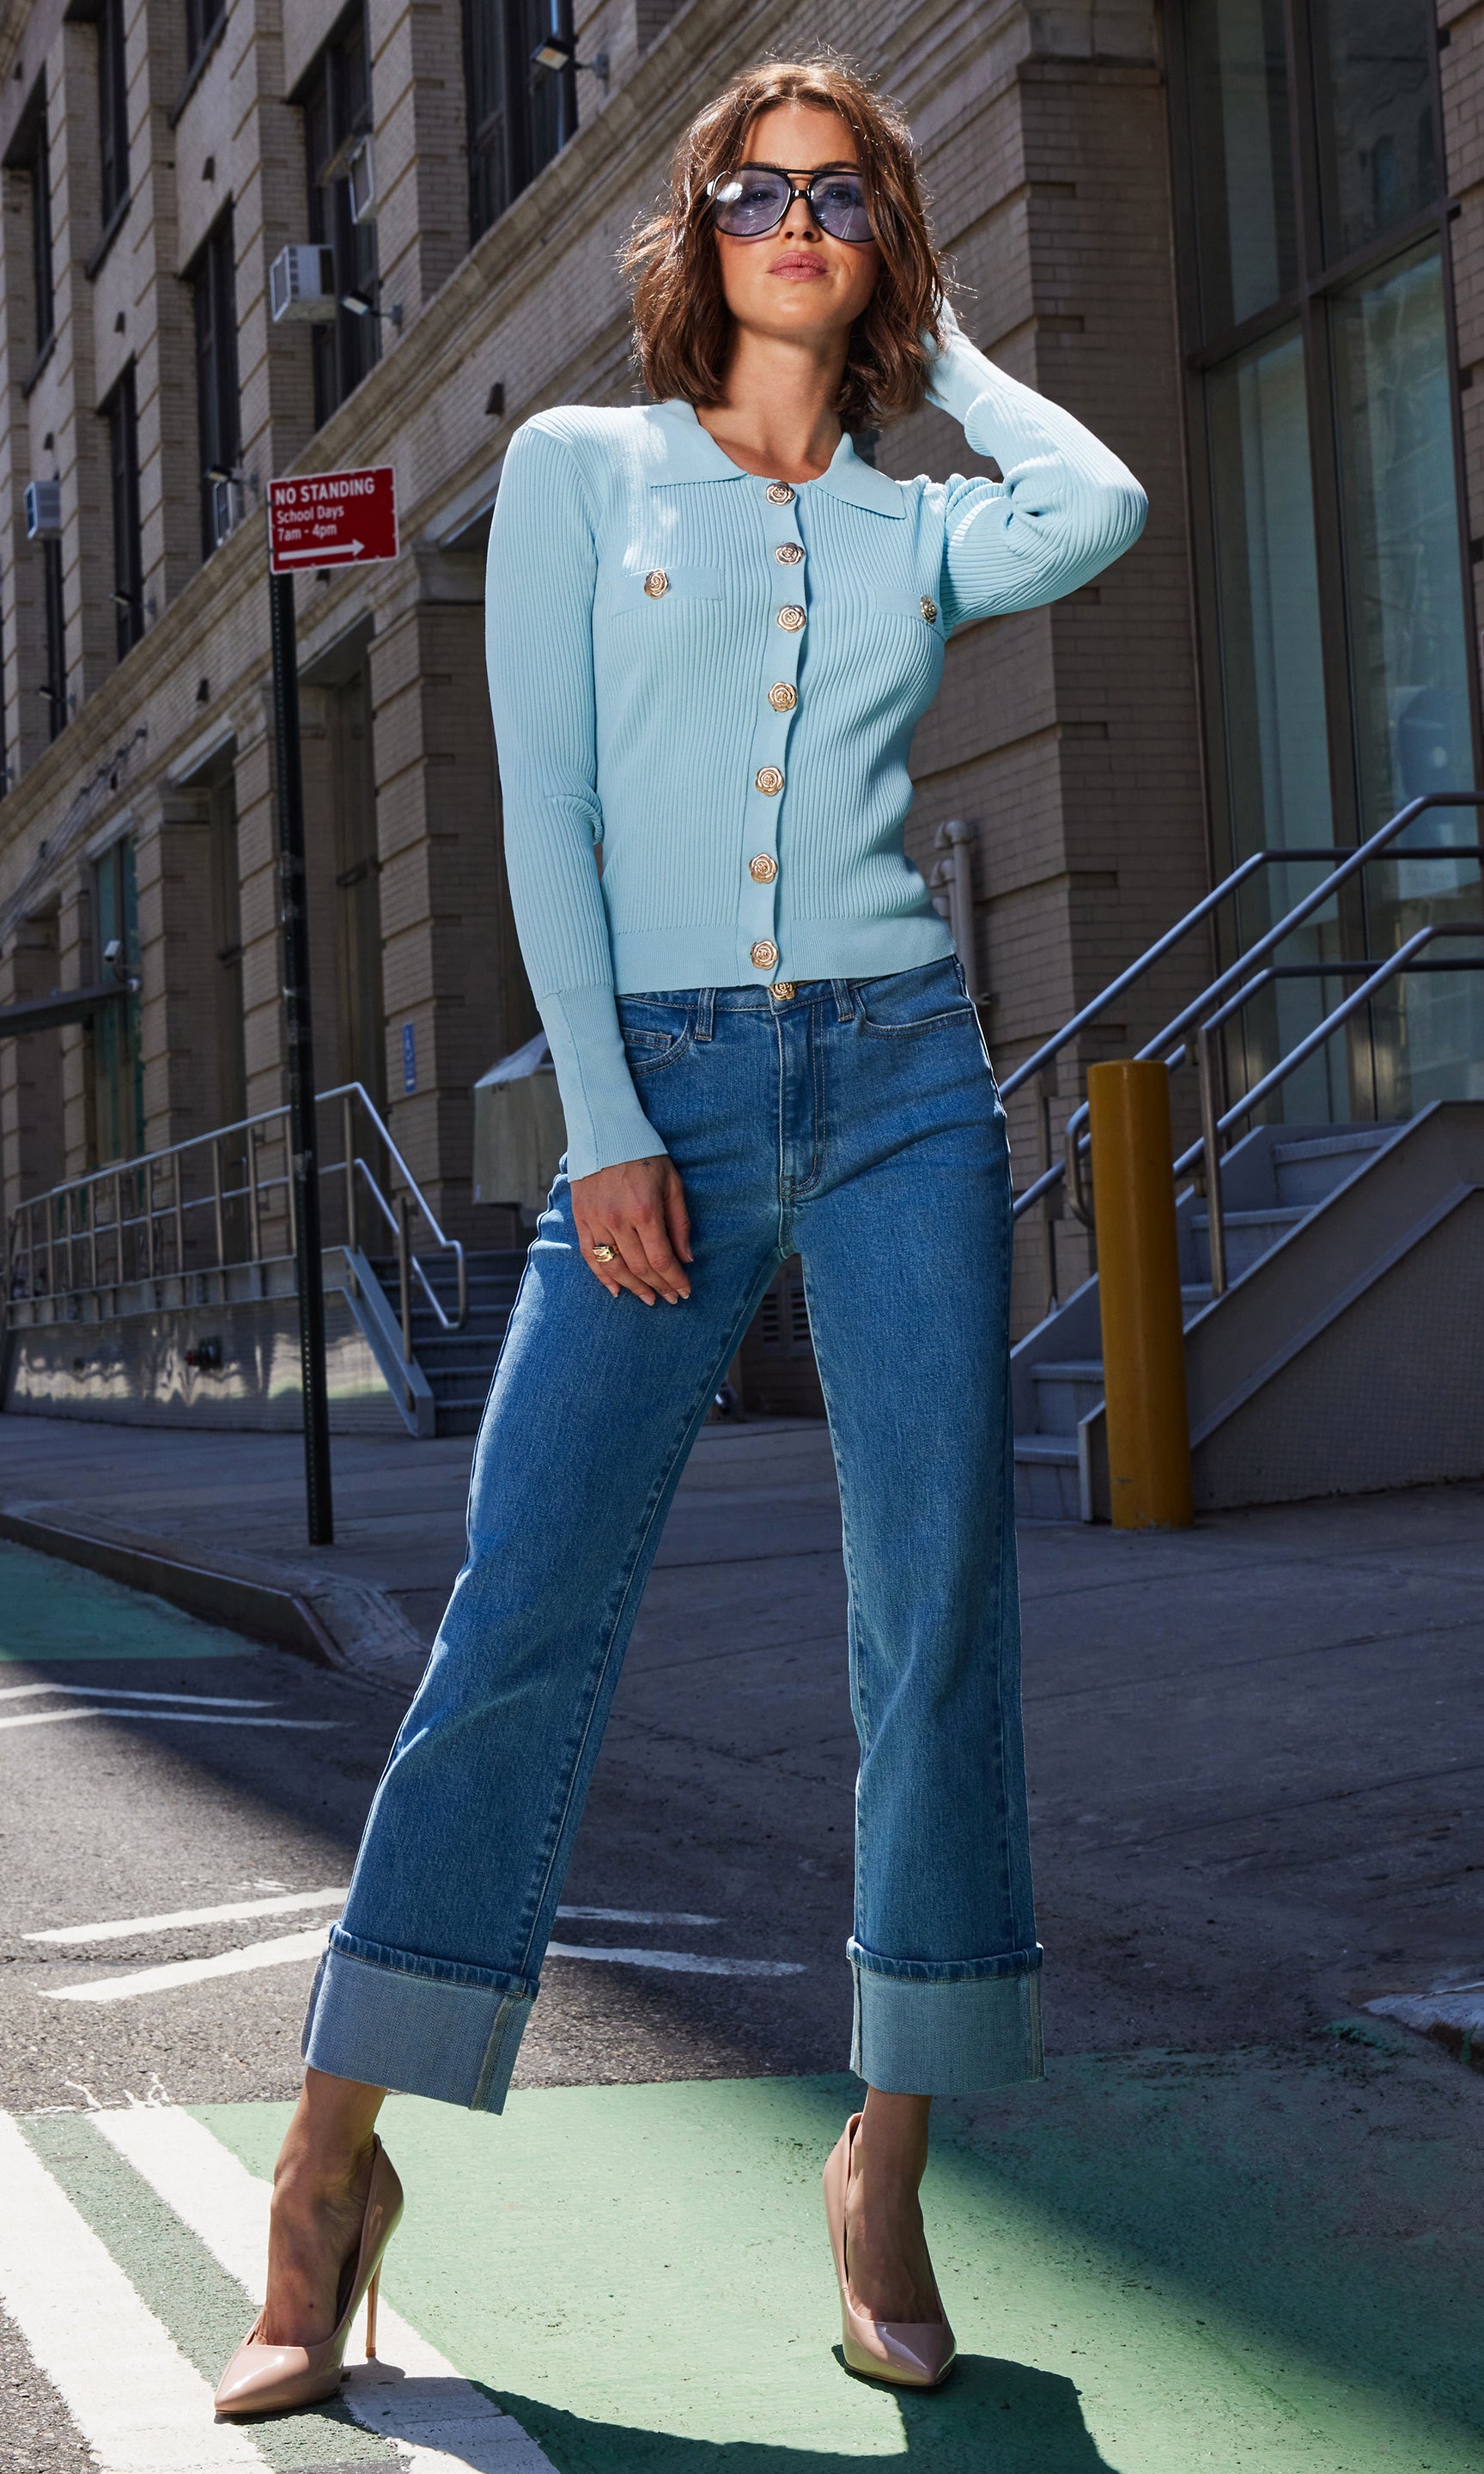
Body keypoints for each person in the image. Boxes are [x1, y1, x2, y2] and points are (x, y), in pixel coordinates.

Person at [216, 54, 1145, 2416]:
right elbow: (548, 815)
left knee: (939, 1606)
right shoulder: (578, 471)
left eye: (848, 195)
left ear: (883, 244)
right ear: (700, 226)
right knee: (526, 1602)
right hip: (672, 1095)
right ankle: (328, 2165)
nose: (799, 218)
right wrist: (608, 1126)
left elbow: (1107, 498)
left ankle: (888, 2155)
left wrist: (935, 356)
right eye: (760, 185)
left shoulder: (919, 517)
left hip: (910, 1086)